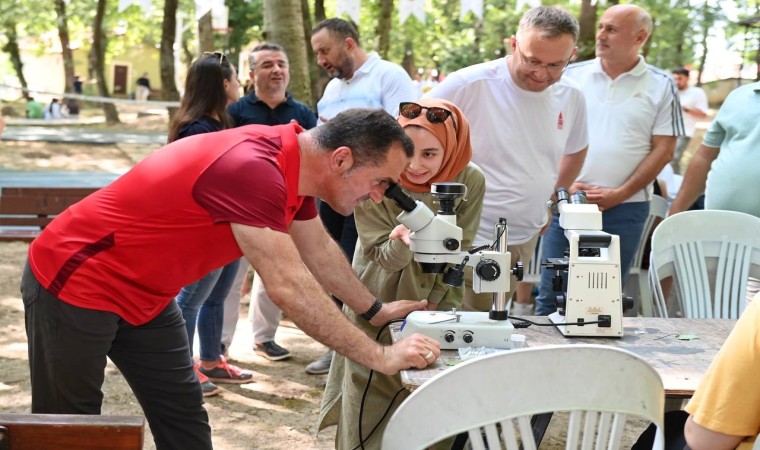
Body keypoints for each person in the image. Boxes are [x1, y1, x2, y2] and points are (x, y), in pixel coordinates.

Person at [21, 108, 440, 450]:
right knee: (69, 430)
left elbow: (319, 251)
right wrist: (380, 357)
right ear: (342, 158)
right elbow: (289, 286)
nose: (380, 194)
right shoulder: (254, 170)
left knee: (183, 415)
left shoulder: (295, 165)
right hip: (77, 280)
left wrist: (376, 310)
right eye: (382, 180)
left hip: (147, 294)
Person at [318, 98, 485, 450]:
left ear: (451, 151)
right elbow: (381, 255)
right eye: (409, 153)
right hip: (376, 297)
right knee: (368, 400)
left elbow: (459, 248)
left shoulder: (470, 180)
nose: (416, 166)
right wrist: (404, 243)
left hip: (439, 302)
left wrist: (434, 310)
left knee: (431, 403)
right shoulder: (376, 174)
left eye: (430, 154)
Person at [426, 6, 589, 316]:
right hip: (465, 235)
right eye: (532, 60)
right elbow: (408, 133)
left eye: (556, 64)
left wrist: (554, 197)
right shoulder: (469, 85)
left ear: (573, 55)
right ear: (513, 44)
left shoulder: (571, 95)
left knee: (495, 320)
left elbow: (577, 148)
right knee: (455, 327)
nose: (542, 74)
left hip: (522, 234)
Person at [534, 4, 683, 316]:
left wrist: (620, 194)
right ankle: (542, 364)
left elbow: (664, 150)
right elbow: (542, 133)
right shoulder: (569, 75)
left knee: (602, 303)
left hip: (625, 209)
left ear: (640, 36)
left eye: (611, 29)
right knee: (551, 295)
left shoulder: (661, 83)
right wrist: (562, 185)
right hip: (567, 204)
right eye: (601, 26)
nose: (600, 35)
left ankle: (594, 363)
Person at [306, 17, 418, 374]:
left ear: (349, 44)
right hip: (331, 192)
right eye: (316, 53)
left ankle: (365, 340)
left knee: (360, 265)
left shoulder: (389, 75)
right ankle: (338, 345)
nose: (321, 59)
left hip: (369, 191)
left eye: (325, 50)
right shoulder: (331, 90)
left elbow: (405, 132)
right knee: (332, 259)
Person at [223, 42, 317, 362]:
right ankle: (219, 344)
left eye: (281, 64)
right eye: (267, 65)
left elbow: (312, 160)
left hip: (283, 207)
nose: (276, 70)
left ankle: (264, 338)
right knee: (230, 279)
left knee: (274, 275)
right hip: (238, 208)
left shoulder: (303, 114)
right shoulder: (235, 112)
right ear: (251, 74)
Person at [169, 51, 249, 398]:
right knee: (191, 299)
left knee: (217, 296)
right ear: (223, 84)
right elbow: (197, 184)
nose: (239, 84)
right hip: (207, 228)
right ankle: (181, 369)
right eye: (234, 78)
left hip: (229, 225)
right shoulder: (196, 128)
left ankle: (211, 359)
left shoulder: (219, 124)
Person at [669, 81, 760, 302]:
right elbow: (704, 156)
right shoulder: (739, 96)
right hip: (721, 235)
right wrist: (676, 210)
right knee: (714, 316)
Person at [671, 67, 709, 174]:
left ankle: (677, 185)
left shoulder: (697, 92)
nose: (677, 81)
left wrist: (685, 109)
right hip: (666, 131)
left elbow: (703, 114)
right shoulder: (671, 91)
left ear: (687, 78)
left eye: (680, 78)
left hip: (684, 131)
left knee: (674, 159)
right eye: (675, 79)